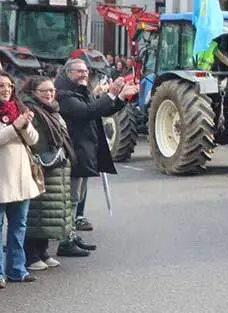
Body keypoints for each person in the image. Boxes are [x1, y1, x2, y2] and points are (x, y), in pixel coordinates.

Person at [55, 58, 138, 257]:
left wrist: (119, 99)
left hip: (84, 152)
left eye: (86, 71)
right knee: (71, 199)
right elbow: (87, 112)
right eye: (79, 71)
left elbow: (102, 110)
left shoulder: (82, 91)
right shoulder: (64, 95)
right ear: (68, 73)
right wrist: (110, 93)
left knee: (77, 198)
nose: (84, 74)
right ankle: (65, 241)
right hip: (74, 152)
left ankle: (72, 235)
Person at [21, 76, 75, 271]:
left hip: (56, 166)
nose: (50, 93)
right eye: (45, 91)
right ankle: (31, 255)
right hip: (43, 166)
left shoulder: (52, 110)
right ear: (34, 92)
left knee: (48, 214)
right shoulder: (32, 111)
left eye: (52, 90)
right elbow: (35, 142)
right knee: (37, 213)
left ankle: (43, 251)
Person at [0, 71, 42, 286]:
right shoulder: (12, 118)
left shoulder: (19, 109)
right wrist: (14, 126)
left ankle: (17, 269)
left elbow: (34, 139)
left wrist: (25, 125)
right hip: (1, 178)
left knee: (18, 227)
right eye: (1, 86)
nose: (6, 89)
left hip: (21, 179)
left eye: (9, 86)